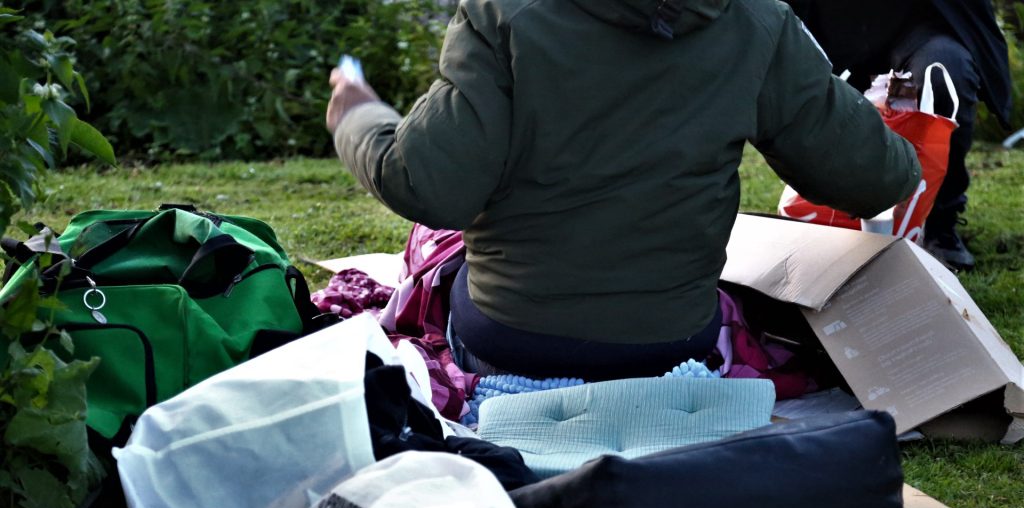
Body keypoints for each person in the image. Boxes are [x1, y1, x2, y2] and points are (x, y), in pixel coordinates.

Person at [326, 0, 921, 381]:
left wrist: (357, 115)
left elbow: (425, 185)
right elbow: (879, 180)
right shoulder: (759, 22)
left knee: (436, 247)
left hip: (511, 342)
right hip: (673, 348)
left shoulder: (503, 13)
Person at [783, 0, 1014, 271]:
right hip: (833, 25)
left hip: (921, 27)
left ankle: (941, 221)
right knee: (805, 88)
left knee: (947, 74)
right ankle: (830, 217)